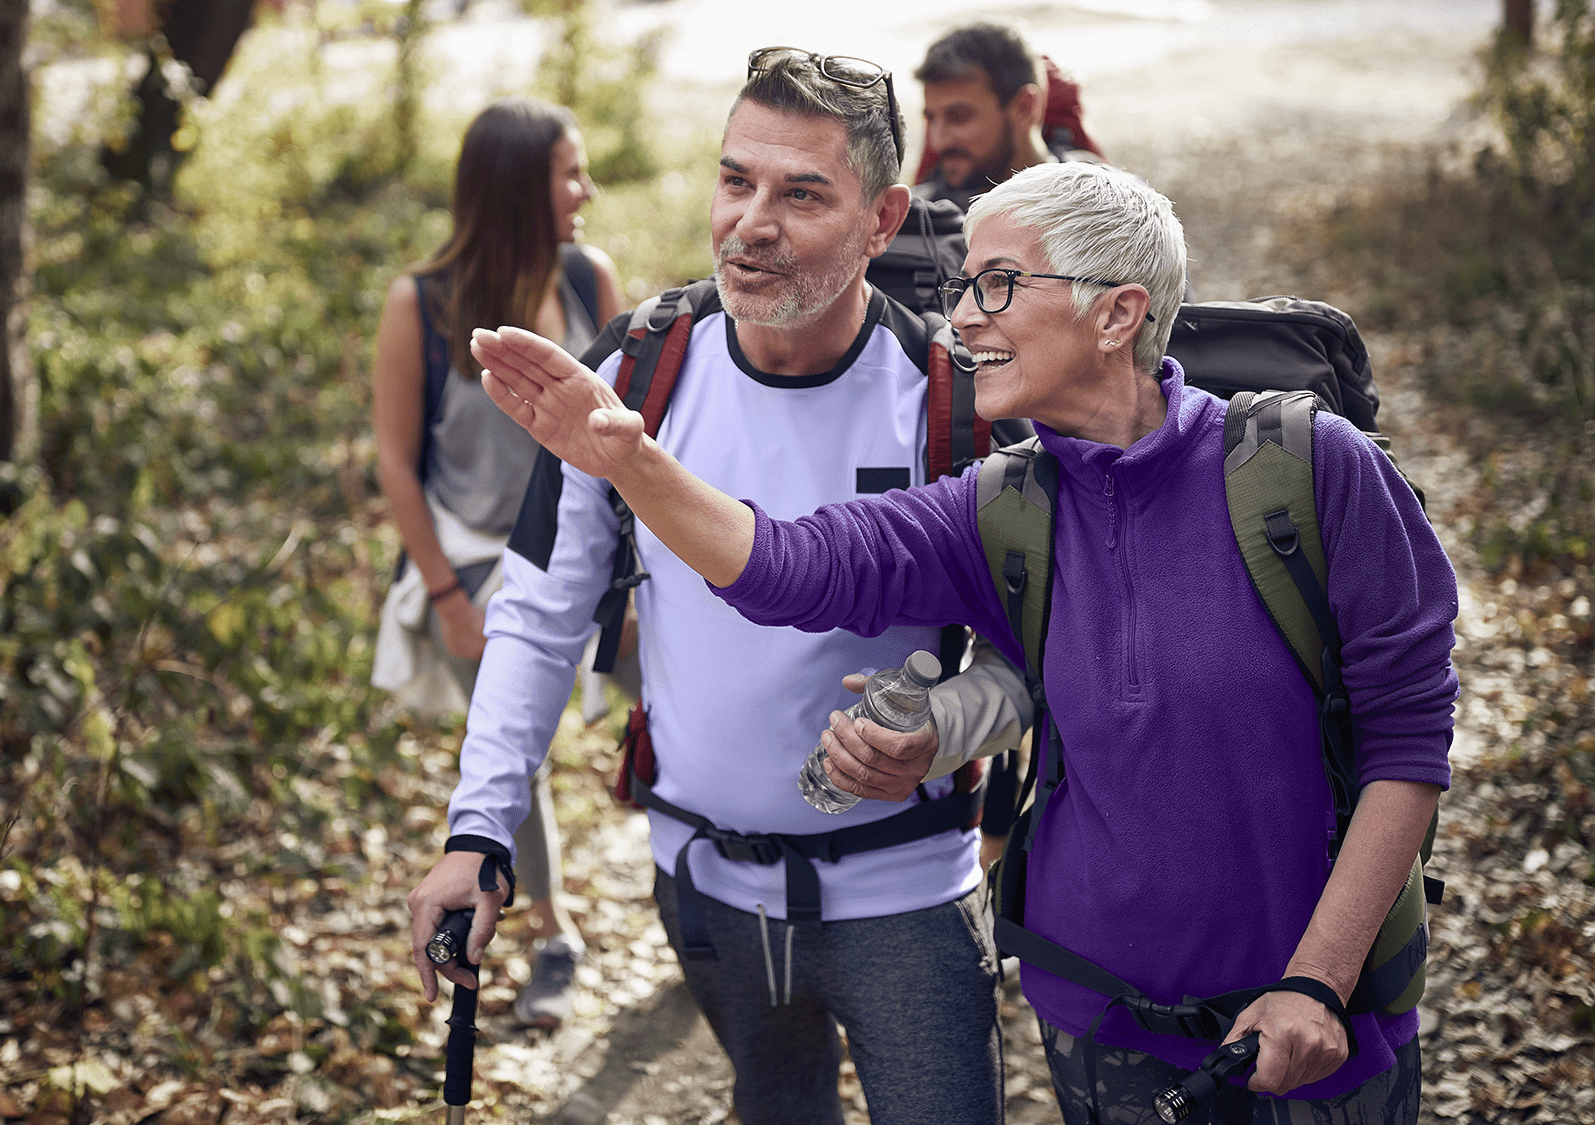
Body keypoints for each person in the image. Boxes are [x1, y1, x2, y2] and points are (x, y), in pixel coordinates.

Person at [470, 159, 1456, 1123]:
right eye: (962, 287)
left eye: (996, 284)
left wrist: (1317, 984)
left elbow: (1406, 743)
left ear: (1114, 314)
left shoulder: (1311, 473)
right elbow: (789, 568)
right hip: (1092, 1019)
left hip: (1311, 1028)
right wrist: (631, 461)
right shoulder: (999, 508)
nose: (963, 318)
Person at [407, 49, 1033, 1125]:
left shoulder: (948, 403)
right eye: (735, 180)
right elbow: (538, 616)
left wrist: (949, 722)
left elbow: (1039, 652)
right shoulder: (635, 376)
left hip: (906, 893)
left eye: (800, 194)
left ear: (881, 221)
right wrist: (479, 832)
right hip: (703, 889)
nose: (751, 222)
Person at [369, 97, 626, 1028]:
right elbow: (395, 461)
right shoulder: (422, 303)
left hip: (595, 552)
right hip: (479, 563)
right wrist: (443, 593)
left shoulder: (589, 280)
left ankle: (711, 876)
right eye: (570, 172)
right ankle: (557, 933)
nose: (585, 189)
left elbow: (632, 435)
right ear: (521, 187)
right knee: (511, 742)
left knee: (682, 682)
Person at [914, 23, 1100, 211]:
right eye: (930, 119)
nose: (938, 141)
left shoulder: (1103, 207)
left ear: (1025, 107)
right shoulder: (909, 217)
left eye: (959, 117)